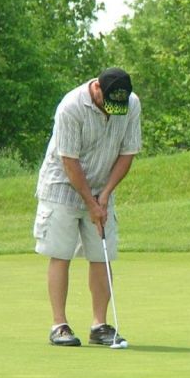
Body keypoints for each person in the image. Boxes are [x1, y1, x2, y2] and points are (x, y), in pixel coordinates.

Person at [33, 67, 142, 347]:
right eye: (108, 104)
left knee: (100, 255)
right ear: (96, 89)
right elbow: (69, 161)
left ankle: (100, 325)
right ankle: (59, 325)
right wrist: (90, 202)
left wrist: (105, 195)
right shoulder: (71, 107)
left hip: (101, 187)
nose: (112, 111)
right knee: (60, 253)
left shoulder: (130, 104)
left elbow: (128, 152)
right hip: (62, 186)